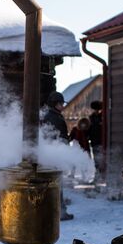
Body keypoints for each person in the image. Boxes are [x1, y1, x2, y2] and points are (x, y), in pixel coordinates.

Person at [42, 91, 73, 221]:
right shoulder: (54, 117)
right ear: (56, 104)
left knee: (53, 184)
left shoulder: (50, 116)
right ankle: (60, 212)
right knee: (56, 184)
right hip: (54, 155)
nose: (63, 106)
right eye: (61, 103)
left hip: (50, 154)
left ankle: (53, 211)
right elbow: (59, 138)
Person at [88, 100, 103, 177]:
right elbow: (88, 129)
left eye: (98, 109)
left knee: (101, 159)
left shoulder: (102, 117)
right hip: (94, 141)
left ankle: (100, 175)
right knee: (96, 160)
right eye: (95, 109)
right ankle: (97, 175)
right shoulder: (91, 118)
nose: (96, 111)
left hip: (101, 141)